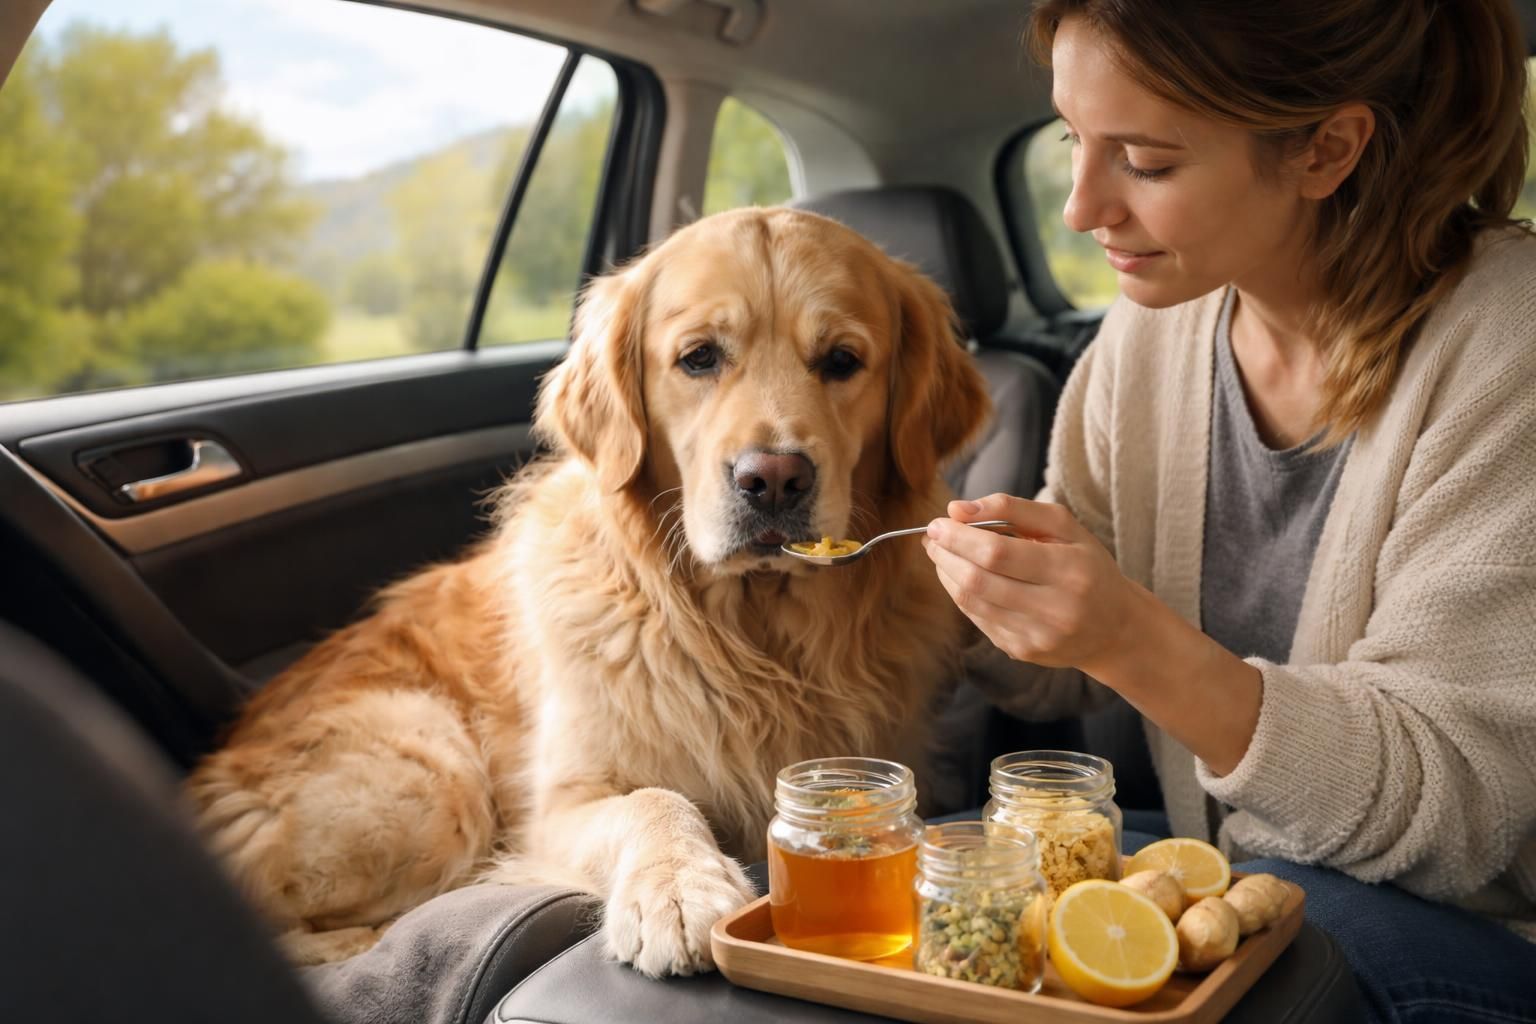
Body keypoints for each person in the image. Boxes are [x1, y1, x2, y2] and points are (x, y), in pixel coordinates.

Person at [922, 1, 1536, 1020]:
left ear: (1327, 150)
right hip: (1234, 871)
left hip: (1473, 926)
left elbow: (1454, 809)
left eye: (1146, 163)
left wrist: (1127, 636)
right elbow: (1058, 666)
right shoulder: (1149, 337)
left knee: (1289, 958)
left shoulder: (1506, 353)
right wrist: (947, 587)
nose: (1080, 208)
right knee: (949, 880)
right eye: (1075, 141)